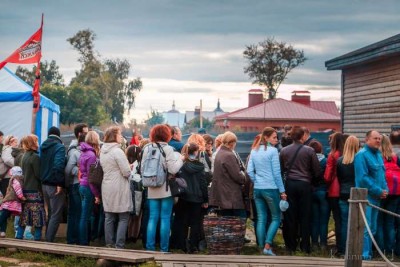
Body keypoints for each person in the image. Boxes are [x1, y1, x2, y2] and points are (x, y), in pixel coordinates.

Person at [141, 124, 183, 252]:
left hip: (151, 187)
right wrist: (181, 159)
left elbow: (142, 168)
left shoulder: (146, 148)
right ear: (167, 135)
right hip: (165, 188)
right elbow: (173, 169)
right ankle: (164, 249)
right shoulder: (168, 149)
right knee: (165, 218)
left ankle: (150, 247)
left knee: (152, 218)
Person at [279, 126, 320, 254]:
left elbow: (281, 170)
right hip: (305, 185)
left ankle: (290, 246)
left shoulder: (284, 151)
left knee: (290, 216)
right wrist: (313, 183)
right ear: (303, 136)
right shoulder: (309, 151)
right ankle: (305, 246)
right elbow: (317, 171)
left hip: (290, 184)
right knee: (305, 216)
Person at [247, 127, 286, 256]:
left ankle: (260, 247)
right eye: (274, 137)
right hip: (271, 188)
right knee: (276, 218)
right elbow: (276, 173)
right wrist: (282, 191)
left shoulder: (254, 151)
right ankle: (268, 245)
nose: (276, 140)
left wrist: (257, 180)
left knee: (261, 219)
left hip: (258, 189)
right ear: (266, 138)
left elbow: (249, 171)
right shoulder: (273, 151)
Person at [354, 130, 388, 260]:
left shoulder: (378, 155)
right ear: (367, 139)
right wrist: (378, 190)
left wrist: (385, 189)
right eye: (375, 138)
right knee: (365, 229)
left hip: (377, 196)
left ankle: (367, 254)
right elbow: (362, 178)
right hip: (366, 197)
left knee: (372, 228)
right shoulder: (361, 155)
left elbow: (382, 175)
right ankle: (364, 256)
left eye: (379, 139)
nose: (378, 141)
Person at [170, 143, 208, 253]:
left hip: (183, 196)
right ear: (196, 152)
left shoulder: (181, 164)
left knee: (183, 221)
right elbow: (203, 183)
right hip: (197, 197)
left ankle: (182, 244)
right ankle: (193, 245)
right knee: (195, 222)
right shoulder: (200, 166)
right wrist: (205, 199)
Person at [100, 126, 132, 249]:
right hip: (119, 186)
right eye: (120, 134)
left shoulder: (103, 151)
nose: (121, 137)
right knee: (123, 217)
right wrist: (129, 168)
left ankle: (109, 243)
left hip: (107, 185)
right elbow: (126, 172)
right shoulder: (117, 151)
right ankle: (119, 245)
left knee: (109, 217)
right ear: (114, 136)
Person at [210, 131, 246, 218]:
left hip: (222, 194)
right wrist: (244, 178)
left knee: (226, 222)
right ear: (231, 143)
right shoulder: (229, 155)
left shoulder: (219, 153)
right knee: (239, 220)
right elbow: (237, 176)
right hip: (231, 196)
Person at [17, 134, 46, 241]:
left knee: (25, 214)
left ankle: (19, 235)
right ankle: (37, 238)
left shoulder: (23, 156)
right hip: (35, 190)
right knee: (38, 215)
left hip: (25, 189)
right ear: (32, 144)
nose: (38, 143)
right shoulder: (35, 157)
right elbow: (38, 174)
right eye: (36, 141)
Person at [40, 126, 66, 242]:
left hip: (44, 184)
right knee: (56, 214)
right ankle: (49, 241)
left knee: (50, 212)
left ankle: (47, 237)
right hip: (54, 184)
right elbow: (58, 165)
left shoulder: (43, 147)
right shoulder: (59, 147)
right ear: (58, 135)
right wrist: (59, 183)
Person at [376, 134, 400, 254]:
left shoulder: (377, 156)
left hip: (382, 191)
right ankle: (390, 248)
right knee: (390, 221)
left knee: (379, 221)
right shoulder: (395, 157)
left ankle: (381, 249)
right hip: (395, 192)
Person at [336, 135, 359, 255]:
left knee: (344, 222)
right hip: (357, 194)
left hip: (343, 193)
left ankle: (344, 249)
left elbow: (339, 178)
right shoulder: (359, 160)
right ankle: (355, 248)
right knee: (358, 222)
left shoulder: (340, 160)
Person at [65, 123, 88, 244]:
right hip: (76, 184)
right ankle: (74, 239)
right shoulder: (74, 150)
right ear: (80, 134)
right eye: (86, 132)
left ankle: (73, 239)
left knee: (76, 213)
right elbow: (68, 169)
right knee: (76, 213)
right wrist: (80, 171)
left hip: (78, 184)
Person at [79, 131, 101, 245]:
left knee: (84, 214)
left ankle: (84, 240)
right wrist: (96, 195)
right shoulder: (92, 155)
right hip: (88, 187)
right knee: (85, 216)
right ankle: (83, 242)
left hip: (82, 185)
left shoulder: (83, 152)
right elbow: (91, 177)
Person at [324, 132, 345, 255]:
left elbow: (327, 175)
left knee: (337, 220)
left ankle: (339, 247)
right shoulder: (349, 154)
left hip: (334, 190)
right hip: (347, 190)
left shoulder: (332, 155)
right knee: (345, 219)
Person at [308, 140, 329, 252]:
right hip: (323, 192)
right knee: (324, 221)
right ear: (321, 149)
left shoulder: (308, 160)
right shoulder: (326, 161)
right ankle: (324, 244)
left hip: (312, 192)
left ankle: (314, 243)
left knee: (314, 220)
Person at [0, 166, 26, 237]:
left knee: (4, 217)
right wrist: (21, 197)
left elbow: (16, 189)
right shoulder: (16, 180)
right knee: (3, 217)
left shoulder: (14, 179)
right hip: (11, 202)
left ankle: (2, 232)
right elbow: (18, 189)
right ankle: (2, 231)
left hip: (9, 202)